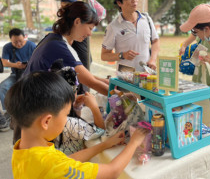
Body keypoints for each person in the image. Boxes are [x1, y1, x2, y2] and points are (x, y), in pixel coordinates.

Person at [5, 71, 149, 179]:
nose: (66, 118)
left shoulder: (23, 149)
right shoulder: (51, 165)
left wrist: (104, 145)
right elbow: (112, 171)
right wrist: (134, 142)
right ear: (47, 121)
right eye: (66, 114)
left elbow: (67, 161)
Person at [23, 0, 110, 96]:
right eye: (90, 28)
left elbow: (83, 74)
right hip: (32, 102)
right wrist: (122, 96)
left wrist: (105, 82)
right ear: (77, 21)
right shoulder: (60, 47)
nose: (90, 34)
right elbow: (91, 82)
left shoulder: (53, 38)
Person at [101, 0, 160, 72]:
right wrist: (122, 55)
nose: (134, 1)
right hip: (126, 80)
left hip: (147, 75)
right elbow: (104, 56)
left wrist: (152, 60)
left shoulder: (147, 19)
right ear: (119, 3)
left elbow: (155, 41)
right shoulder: (113, 27)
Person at [49, 59, 106, 155]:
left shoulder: (49, 113)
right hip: (70, 166)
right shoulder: (72, 124)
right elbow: (100, 131)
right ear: (74, 92)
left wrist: (76, 106)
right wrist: (94, 107)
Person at [0, 28, 36, 132]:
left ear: (25, 37)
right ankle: (9, 113)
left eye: (21, 41)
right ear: (11, 40)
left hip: (30, 74)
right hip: (15, 74)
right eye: (15, 42)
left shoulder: (32, 45)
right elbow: (4, 62)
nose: (19, 44)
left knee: (29, 89)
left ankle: (30, 113)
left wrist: (28, 65)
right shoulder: (7, 47)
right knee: (3, 87)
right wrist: (15, 65)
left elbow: (38, 60)